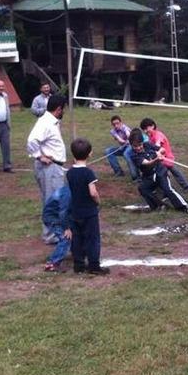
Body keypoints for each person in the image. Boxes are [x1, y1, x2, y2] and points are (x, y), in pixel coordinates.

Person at [27, 95, 67, 244]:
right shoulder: (45, 123)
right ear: (58, 109)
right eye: (63, 109)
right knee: (52, 201)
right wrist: (39, 156)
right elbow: (32, 140)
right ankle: (51, 235)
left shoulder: (52, 122)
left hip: (54, 167)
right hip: (49, 167)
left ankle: (52, 232)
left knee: (53, 199)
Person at [129, 129, 188, 216]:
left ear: (143, 142)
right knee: (143, 188)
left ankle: (186, 207)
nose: (138, 148)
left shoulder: (147, 145)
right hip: (149, 176)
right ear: (131, 145)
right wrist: (157, 159)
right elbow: (147, 163)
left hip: (160, 172)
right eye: (135, 146)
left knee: (168, 189)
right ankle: (158, 206)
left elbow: (162, 149)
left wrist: (159, 152)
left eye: (140, 145)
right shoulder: (133, 155)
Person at [66, 138, 108, 275]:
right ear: (90, 154)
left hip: (75, 211)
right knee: (92, 238)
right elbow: (93, 192)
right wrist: (98, 201)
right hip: (89, 212)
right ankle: (94, 265)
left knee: (77, 238)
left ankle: (78, 264)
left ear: (73, 154)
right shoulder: (88, 173)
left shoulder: (70, 172)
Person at [140, 118, 188, 191]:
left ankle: (186, 186)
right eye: (143, 129)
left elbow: (158, 144)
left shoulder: (158, 134)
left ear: (152, 126)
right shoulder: (150, 137)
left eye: (146, 128)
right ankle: (163, 189)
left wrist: (157, 152)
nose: (145, 131)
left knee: (174, 173)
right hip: (160, 160)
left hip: (167, 159)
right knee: (164, 174)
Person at [42, 185, 72, 273]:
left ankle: (77, 253)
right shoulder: (68, 194)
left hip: (59, 216)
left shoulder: (72, 189)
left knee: (75, 232)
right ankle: (52, 263)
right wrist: (66, 228)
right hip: (53, 218)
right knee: (65, 237)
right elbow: (63, 212)